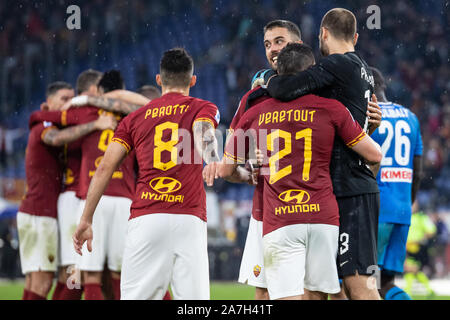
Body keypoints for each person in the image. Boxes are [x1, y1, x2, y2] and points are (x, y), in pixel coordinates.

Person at [207, 43, 382, 300]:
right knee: (322, 294)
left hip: (280, 218)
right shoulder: (331, 108)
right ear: (309, 73)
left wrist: (242, 173)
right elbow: (375, 155)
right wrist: (369, 126)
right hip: (324, 217)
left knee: (283, 296)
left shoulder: (254, 113)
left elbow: (226, 169)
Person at [73, 48, 221, 300]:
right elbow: (202, 130)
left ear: (159, 80)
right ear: (192, 80)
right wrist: (212, 158)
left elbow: (105, 169)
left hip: (147, 217)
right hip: (189, 216)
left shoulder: (134, 118)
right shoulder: (203, 107)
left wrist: (86, 219)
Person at [266, 8, 382, 300]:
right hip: (338, 190)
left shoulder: (337, 65)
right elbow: (354, 125)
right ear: (354, 36)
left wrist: (265, 82)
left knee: (360, 287)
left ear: (324, 34)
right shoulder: (363, 70)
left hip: (350, 190)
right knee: (331, 288)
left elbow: (287, 86)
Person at [18, 81, 117, 300]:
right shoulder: (44, 126)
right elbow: (56, 137)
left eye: (72, 99)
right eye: (64, 99)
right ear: (47, 104)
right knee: (66, 277)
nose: (69, 104)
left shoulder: (64, 127)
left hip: (49, 210)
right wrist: (95, 124)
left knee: (60, 277)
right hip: (41, 212)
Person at [369, 67, 424, 300]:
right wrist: (407, 203)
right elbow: (418, 169)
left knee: (359, 281)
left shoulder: (369, 115)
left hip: (377, 208)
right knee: (386, 282)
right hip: (402, 210)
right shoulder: (411, 117)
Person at [403, 208, 437, 298]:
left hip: (416, 248)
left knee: (410, 269)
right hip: (407, 247)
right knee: (413, 270)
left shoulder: (421, 217)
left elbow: (431, 231)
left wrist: (419, 240)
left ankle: (408, 291)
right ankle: (429, 290)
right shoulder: (406, 216)